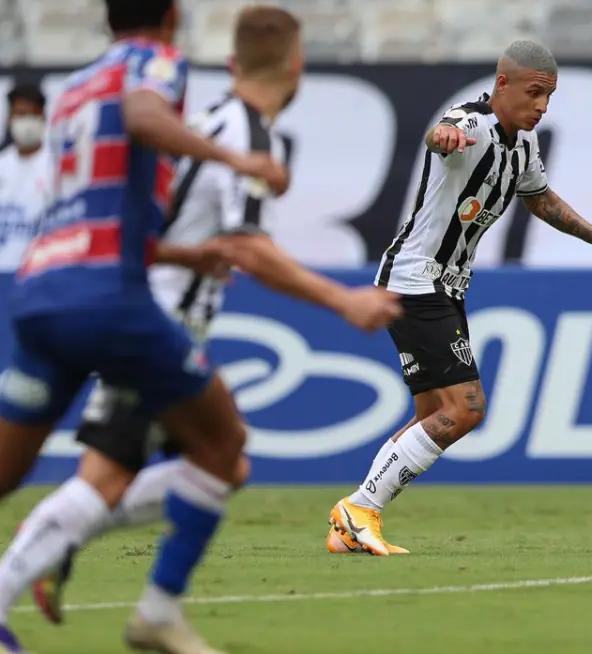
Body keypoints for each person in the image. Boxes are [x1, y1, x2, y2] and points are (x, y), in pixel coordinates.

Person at [2, 4, 402, 634]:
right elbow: (247, 248)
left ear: (233, 62)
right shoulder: (224, 123)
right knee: (152, 467)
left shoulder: (182, 113)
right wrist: (343, 299)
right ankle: (70, 553)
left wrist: (196, 250)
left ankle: (75, 546)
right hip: (141, 314)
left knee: (215, 459)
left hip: (62, 285)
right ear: (297, 64)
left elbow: (150, 225)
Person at [326, 40, 592, 556]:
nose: (543, 106)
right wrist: (444, 135)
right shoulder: (471, 123)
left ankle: (355, 523)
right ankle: (359, 508)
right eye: (535, 93)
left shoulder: (523, 146)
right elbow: (441, 133)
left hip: (443, 287)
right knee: (468, 407)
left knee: (435, 411)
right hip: (418, 281)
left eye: (550, 96)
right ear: (503, 84)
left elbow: (541, 199)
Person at [0, 82, 51, 271]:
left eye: (31, 115)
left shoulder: (56, 166)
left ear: (43, 117)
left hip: (38, 273)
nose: (26, 122)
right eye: (20, 115)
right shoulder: (2, 165)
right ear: (9, 119)